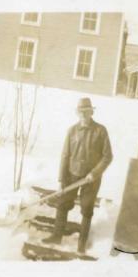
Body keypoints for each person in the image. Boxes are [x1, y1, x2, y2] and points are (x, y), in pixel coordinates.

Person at [42, 97, 113, 254]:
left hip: (91, 179)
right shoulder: (72, 131)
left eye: (86, 112)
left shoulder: (100, 131)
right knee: (62, 204)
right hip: (72, 175)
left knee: (87, 207)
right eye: (80, 112)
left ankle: (81, 243)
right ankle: (56, 236)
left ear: (91, 112)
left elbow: (108, 156)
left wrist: (94, 173)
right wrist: (61, 180)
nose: (83, 115)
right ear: (77, 113)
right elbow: (65, 156)